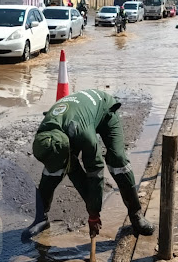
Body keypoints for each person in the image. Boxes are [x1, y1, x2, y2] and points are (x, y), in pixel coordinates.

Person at [23, 89, 156, 241]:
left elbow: (95, 172)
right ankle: (41, 218)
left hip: (105, 112)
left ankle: (136, 215)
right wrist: (92, 209)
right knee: (53, 171)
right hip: (75, 119)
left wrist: (93, 213)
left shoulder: (84, 136)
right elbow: (74, 172)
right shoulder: (45, 131)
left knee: (117, 161)